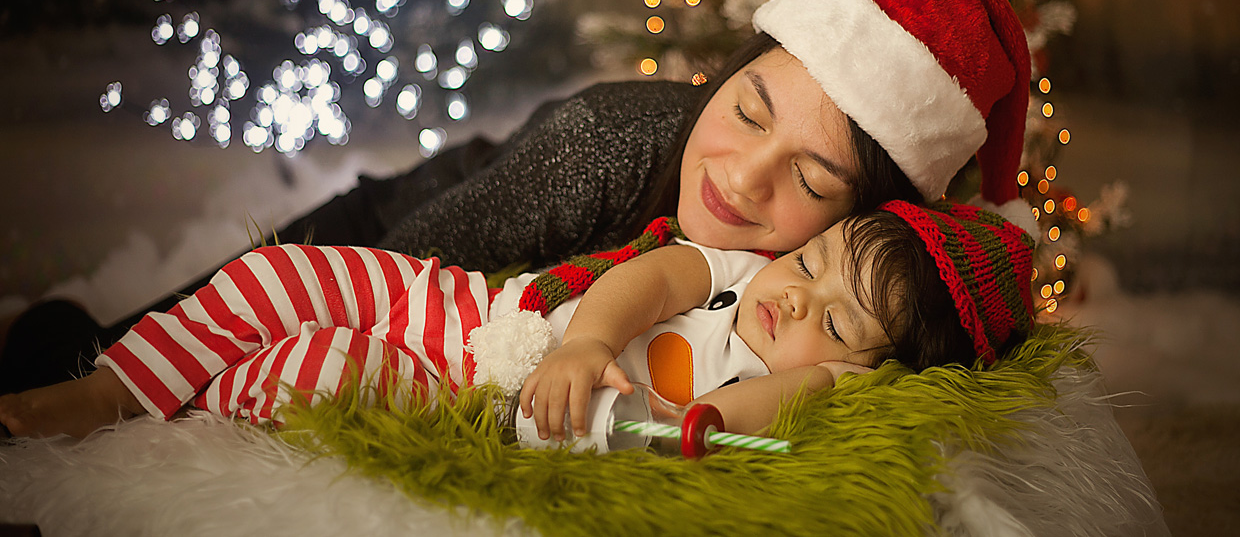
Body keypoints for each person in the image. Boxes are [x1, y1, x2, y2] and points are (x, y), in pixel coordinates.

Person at [0, 0, 1032, 394]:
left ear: (866, 221)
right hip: (407, 226)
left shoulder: (825, 289)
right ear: (725, 74)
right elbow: (376, 276)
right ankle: (72, 339)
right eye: (747, 108)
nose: (740, 177)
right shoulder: (606, 149)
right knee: (126, 351)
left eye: (811, 180)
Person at [0, 201, 1035, 441]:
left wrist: (827, 381)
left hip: (470, 402)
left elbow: (767, 404)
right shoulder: (743, 266)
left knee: (318, 366)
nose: (797, 292)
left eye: (838, 318)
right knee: (286, 272)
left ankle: (154, 414)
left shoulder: (803, 383)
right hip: (480, 313)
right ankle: (111, 383)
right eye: (814, 260)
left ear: (871, 367)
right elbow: (650, 283)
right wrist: (587, 337)